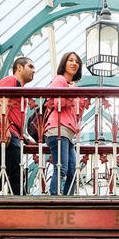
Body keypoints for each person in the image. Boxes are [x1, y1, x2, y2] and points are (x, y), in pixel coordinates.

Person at [0, 54, 35, 195]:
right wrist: (5, 128)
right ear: (19, 67)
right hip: (4, 132)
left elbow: (15, 116)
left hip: (9, 132)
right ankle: (23, 205)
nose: (34, 71)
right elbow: (3, 100)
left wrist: (24, 138)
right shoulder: (11, 80)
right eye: (30, 66)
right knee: (15, 172)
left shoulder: (19, 88)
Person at [45, 52, 87, 195]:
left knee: (73, 171)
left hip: (68, 133)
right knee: (61, 168)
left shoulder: (71, 86)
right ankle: (54, 198)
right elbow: (58, 103)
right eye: (70, 60)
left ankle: (67, 199)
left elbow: (77, 115)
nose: (74, 63)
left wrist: (79, 101)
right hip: (57, 129)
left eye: (77, 61)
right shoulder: (59, 80)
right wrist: (71, 93)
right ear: (64, 63)